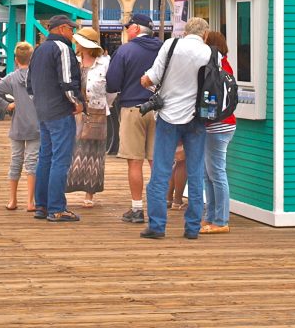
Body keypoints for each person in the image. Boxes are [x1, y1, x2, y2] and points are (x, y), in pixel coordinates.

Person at [138, 17, 211, 241]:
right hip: (197, 118)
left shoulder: (171, 45)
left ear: (185, 30)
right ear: (204, 35)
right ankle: (192, 228)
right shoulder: (209, 53)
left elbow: (150, 79)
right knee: (196, 173)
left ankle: (158, 226)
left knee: (160, 172)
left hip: (168, 117)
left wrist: (144, 80)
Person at [105, 13, 163, 223]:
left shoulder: (125, 50)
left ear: (136, 29)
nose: (126, 30)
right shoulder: (163, 48)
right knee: (157, 161)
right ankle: (159, 206)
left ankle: (137, 209)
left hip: (132, 109)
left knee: (135, 162)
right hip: (160, 110)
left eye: (128, 27)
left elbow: (112, 84)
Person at [27, 15, 83, 223]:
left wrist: (40, 103)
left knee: (45, 158)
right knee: (61, 159)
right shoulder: (62, 48)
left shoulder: (39, 49)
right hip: (60, 111)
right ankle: (57, 208)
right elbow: (68, 81)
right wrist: (77, 102)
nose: (73, 34)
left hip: (42, 111)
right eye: (71, 29)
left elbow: (29, 84)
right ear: (61, 29)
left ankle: (41, 205)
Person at [0, 41, 40, 212]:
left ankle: (12, 200)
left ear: (16, 60)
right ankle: (31, 202)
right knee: (32, 163)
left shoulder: (12, 78)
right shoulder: (38, 77)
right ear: (32, 60)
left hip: (18, 125)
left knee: (16, 161)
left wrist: (7, 105)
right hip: (36, 125)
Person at [66, 27, 111, 208]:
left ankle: (89, 193)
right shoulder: (73, 61)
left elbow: (111, 91)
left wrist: (103, 104)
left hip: (96, 111)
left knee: (94, 153)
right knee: (71, 150)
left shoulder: (105, 63)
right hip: (75, 111)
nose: (76, 44)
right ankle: (65, 187)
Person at [201, 30, 236, 234]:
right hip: (225, 122)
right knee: (209, 173)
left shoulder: (214, 66)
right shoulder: (226, 63)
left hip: (216, 125)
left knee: (216, 173)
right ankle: (211, 216)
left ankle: (221, 220)